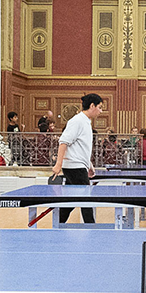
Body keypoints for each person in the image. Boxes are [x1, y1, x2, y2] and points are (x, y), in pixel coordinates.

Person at [52, 93, 103, 223]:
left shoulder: (85, 122)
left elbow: (81, 147)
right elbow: (63, 142)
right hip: (74, 167)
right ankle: (91, 228)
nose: (101, 111)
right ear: (92, 106)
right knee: (86, 199)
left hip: (78, 166)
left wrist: (89, 165)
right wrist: (58, 165)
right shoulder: (77, 121)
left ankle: (58, 223)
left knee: (72, 199)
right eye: (100, 107)